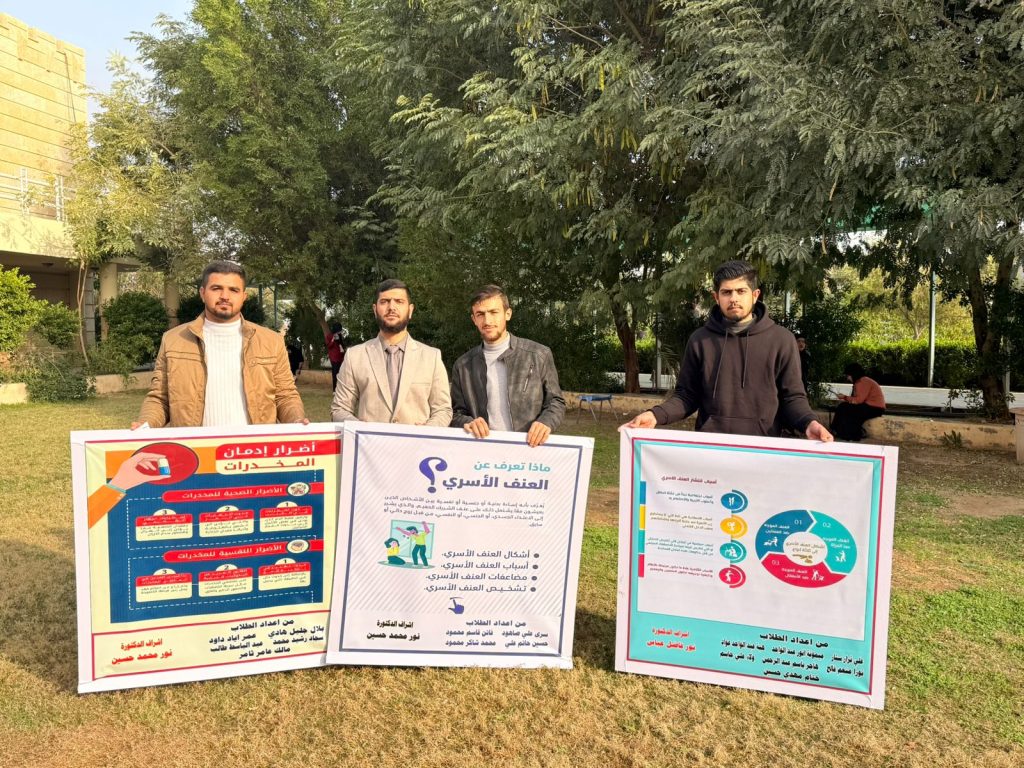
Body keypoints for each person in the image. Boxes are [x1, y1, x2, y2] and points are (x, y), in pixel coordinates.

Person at [620, 260, 832, 440]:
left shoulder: (782, 340)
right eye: (727, 292)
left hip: (763, 448)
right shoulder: (700, 340)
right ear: (716, 297)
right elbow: (686, 396)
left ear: (755, 295)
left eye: (741, 291)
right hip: (711, 448)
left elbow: (792, 397)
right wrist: (655, 415)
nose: (734, 298)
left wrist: (809, 422)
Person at [134, 261, 307, 429]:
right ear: (202, 293)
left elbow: (285, 396)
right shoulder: (173, 340)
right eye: (216, 288)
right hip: (197, 446)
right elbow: (160, 399)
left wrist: (297, 420)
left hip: (252, 446)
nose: (225, 296)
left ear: (244, 296)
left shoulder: (271, 341)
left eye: (233, 290)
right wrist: (145, 425)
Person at [450, 285, 566, 447]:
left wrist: (546, 422)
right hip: (483, 449)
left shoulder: (539, 354)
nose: (487, 321)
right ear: (474, 319)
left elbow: (555, 401)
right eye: (480, 314)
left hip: (529, 447)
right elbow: (456, 413)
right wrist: (468, 422)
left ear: (508, 314)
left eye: (494, 312)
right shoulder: (463, 365)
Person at [330, 279, 452, 426]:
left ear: (410, 310)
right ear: (375, 310)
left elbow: (443, 410)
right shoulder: (355, 356)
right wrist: (361, 429)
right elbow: (339, 409)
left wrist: (427, 431)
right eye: (384, 302)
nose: (391, 307)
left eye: (399, 301)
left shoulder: (431, 357)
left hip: (418, 441)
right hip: (370, 441)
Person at [831, 362, 886, 441]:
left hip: (874, 408)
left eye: (848, 376)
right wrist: (846, 399)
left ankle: (837, 430)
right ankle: (843, 432)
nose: (848, 378)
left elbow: (858, 400)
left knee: (843, 407)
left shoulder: (862, 381)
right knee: (845, 408)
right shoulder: (863, 381)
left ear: (853, 374)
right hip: (871, 407)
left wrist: (844, 397)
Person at [319, 319, 346, 391]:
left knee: (341, 372)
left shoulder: (340, 335)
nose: (340, 331)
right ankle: (334, 389)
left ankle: (340, 388)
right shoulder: (329, 336)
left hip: (340, 356)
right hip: (334, 357)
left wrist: (343, 349)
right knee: (335, 373)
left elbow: (342, 345)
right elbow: (329, 346)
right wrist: (333, 339)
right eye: (339, 330)